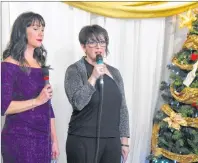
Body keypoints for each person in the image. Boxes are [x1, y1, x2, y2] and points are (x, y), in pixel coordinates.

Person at [64, 24, 130, 163]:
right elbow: (78, 103)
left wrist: (124, 141)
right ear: (83, 47)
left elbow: (122, 107)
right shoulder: (75, 70)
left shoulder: (115, 73)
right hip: (83, 140)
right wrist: (93, 77)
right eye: (92, 42)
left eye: (102, 42)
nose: (98, 47)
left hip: (111, 141)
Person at [1, 12, 59, 163]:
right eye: (35, 28)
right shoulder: (8, 65)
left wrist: (54, 140)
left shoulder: (40, 65)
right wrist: (37, 101)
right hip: (19, 138)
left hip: (43, 138)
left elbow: (48, 105)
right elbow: (4, 107)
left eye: (42, 29)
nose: (41, 33)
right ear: (22, 31)